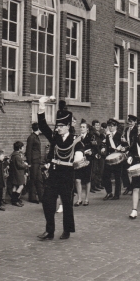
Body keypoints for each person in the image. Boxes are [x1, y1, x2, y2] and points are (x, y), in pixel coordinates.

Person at [37, 97, 85, 240]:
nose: (57, 128)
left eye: (60, 126)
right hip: (53, 175)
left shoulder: (75, 140)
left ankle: (67, 230)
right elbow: (43, 125)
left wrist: (79, 156)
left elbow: (80, 156)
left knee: (67, 204)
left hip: (67, 176)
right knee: (47, 202)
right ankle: (49, 231)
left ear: (68, 125)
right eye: (57, 126)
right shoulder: (54, 137)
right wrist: (41, 105)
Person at [101, 118, 126, 200]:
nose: (111, 128)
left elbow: (126, 145)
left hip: (117, 158)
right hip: (108, 158)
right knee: (105, 176)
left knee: (117, 177)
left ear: (116, 126)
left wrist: (122, 148)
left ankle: (117, 194)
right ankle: (109, 192)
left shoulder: (120, 135)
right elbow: (104, 144)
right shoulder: (107, 136)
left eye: (112, 126)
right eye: (109, 126)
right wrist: (103, 148)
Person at [74, 120, 92, 206]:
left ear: (87, 129)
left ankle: (87, 199)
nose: (82, 129)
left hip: (87, 161)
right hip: (78, 161)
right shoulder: (77, 138)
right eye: (81, 127)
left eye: (83, 127)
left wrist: (91, 152)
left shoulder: (91, 137)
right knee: (77, 180)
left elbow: (95, 148)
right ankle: (79, 199)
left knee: (87, 180)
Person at [26, 122, 44, 204]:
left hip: (37, 161)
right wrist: (29, 163)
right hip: (33, 162)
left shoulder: (36, 137)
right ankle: (32, 197)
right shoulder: (31, 137)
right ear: (38, 128)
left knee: (39, 179)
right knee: (33, 179)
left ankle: (41, 196)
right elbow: (28, 151)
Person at [122, 115, 138, 195]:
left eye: (131, 121)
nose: (129, 123)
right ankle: (128, 186)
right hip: (127, 152)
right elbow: (126, 141)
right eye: (129, 121)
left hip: (134, 152)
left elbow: (134, 143)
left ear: (135, 122)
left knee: (133, 170)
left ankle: (134, 187)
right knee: (124, 169)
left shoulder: (136, 130)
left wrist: (128, 148)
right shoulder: (126, 129)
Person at [9, 141, 28, 207]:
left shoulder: (13, 155)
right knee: (21, 186)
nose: (23, 148)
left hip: (14, 173)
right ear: (20, 148)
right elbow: (20, 165)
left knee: (15, 186)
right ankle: (15, 200)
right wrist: (25, 165)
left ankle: (13, 199)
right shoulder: (17, 156)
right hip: (19, 173)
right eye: (22, 147)